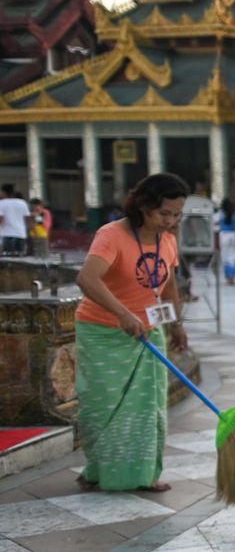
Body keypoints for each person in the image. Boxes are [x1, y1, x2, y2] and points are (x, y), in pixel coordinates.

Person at [73, 173, 190, 492]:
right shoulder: (112, 234)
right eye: (165, 213)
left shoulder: (167, 239)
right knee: (101, 405)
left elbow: (166, 284)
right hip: (102, 332)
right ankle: (97, 469)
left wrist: (176, 324)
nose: (171, 221)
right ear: (144, 205)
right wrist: (122, 313)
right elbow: (87, 279)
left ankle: (142, 474)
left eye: (177, 214)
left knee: (147, 406)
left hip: (147, 331)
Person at [215, 198, 235, 285]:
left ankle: (228, 277)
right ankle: (232, 277)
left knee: (225, 258)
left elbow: (213, 223)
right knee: (232, 258)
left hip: (223, 235)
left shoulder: (219, 214)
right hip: (233, 236)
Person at [0, 183, 30, 255]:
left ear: (4, 192)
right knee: (20, 260)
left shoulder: (1, 203)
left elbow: (1, 220)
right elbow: (27, 219)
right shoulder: (23, 203)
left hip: (7, 235)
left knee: (8, 260)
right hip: (21, 234)